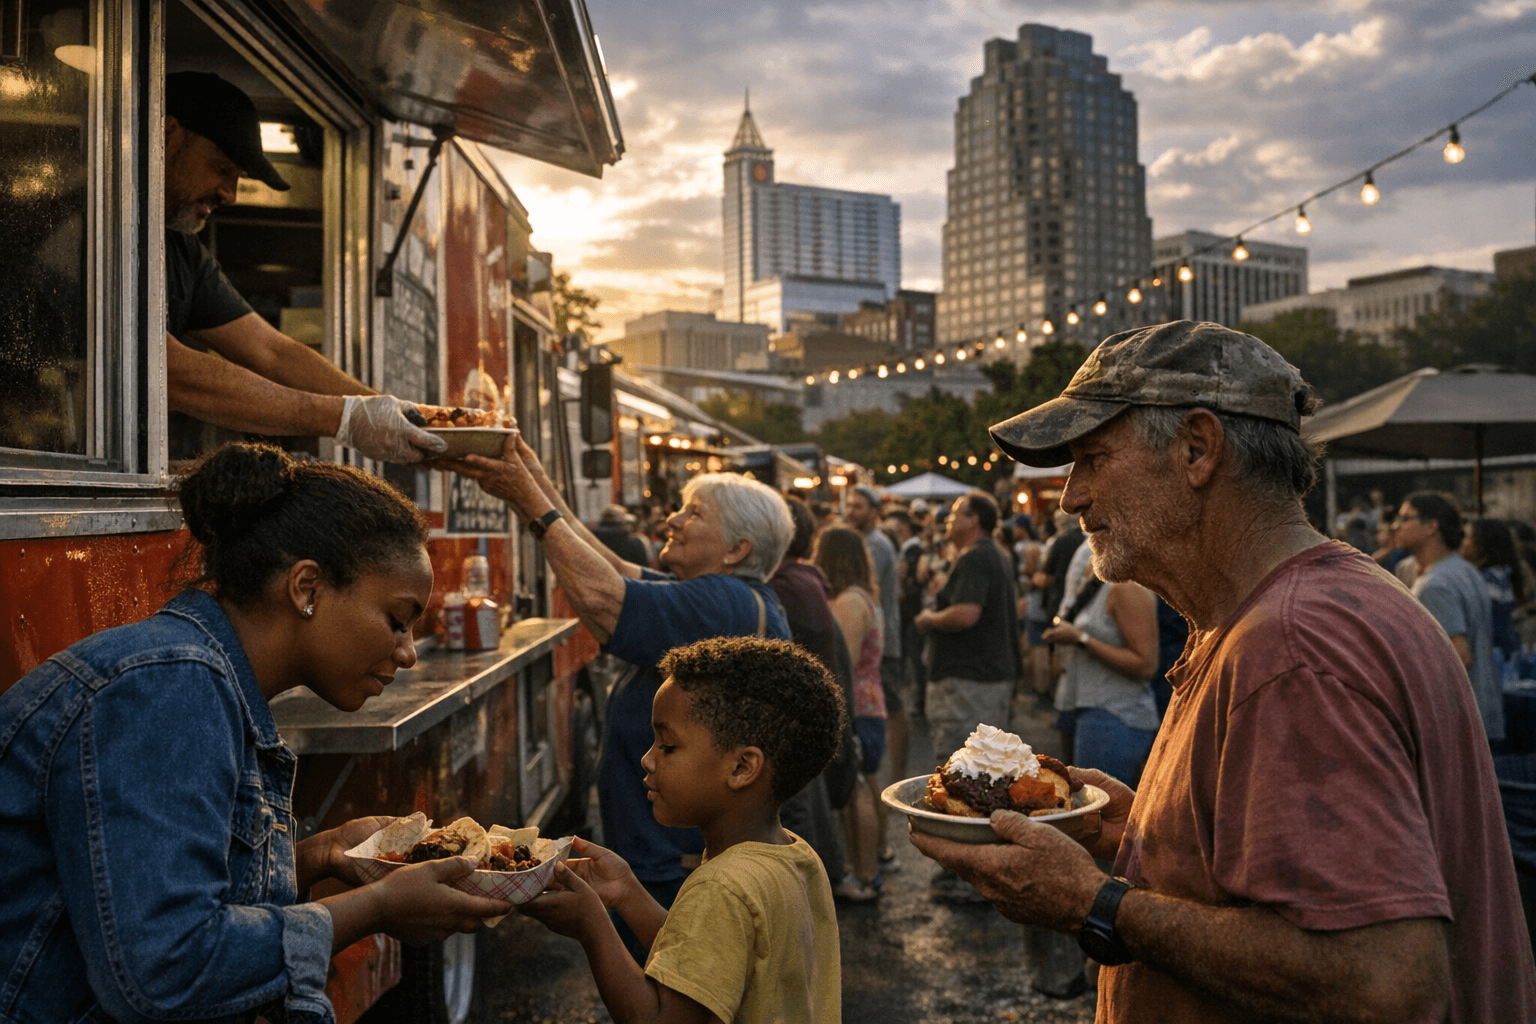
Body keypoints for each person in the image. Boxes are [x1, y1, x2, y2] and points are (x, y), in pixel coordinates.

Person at [913, 320, 1533, 1022]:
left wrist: (1095, 903)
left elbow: (1380, 984)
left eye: (1092, 458)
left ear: (1197, 449)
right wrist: (1142, 841)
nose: (1070, 496)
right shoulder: (1312, 607)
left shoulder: (1294, 646)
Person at [0, 442, 509, 1023]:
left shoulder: (205, 683)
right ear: (306, 588)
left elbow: (179, 898)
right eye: (397, 620)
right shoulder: (170, 688)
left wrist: (316, 857)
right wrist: (372, 908)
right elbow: (167, 969)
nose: (408, 653)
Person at [454, 437, 792, 955]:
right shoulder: (724, 597)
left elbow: (602, 597)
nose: (672, 520)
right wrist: (534, 480)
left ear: (736, 550)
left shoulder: (722, 602)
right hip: (671, 860)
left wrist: (530, 501)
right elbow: (611, 569)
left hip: (675, 869)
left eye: (693, 513)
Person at [518, 636, 845, 1024]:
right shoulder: (795, 856)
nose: (648, 759)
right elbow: (704, 960)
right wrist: (627, 892)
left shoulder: (722, 888)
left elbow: (660, 1018)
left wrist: (592, 925)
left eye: (667, 746)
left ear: (742, 768)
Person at [162, 72, 444, 463]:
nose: (230, 194)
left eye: (238, 178)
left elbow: (273, 352)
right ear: (166, 134)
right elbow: (166, 371)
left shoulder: (182, 251)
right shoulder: (92, 227)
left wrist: (398, 414)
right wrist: (343, 418)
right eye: (221, 167)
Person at [768, 496, 857, 886]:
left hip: (799, 730)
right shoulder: (805, 581)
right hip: (817, 725)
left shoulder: (785, 588)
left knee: (798, 829)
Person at [815, 526, 887, 902]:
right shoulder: (862, 596)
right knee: (864, 784)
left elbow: (842, 662)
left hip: (859, 708)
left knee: (856, 787)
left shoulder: (849, 602)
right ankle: (870, 867)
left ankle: (865, 873)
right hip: (870, 706)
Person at [1395, 491, 1502, 743]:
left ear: (1431, 526)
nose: (1395, 526)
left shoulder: (1435, 585)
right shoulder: (1464, 569)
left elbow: (1459, 656)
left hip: (1454, 725)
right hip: (1481, 712)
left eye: (1405, 518)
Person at [1462, 516, 1530, 661]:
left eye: (1467, 537)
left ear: (1483, 543)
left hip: (1493, 660)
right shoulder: (1503, 574)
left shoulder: (1488, 581)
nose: (1462, 543)